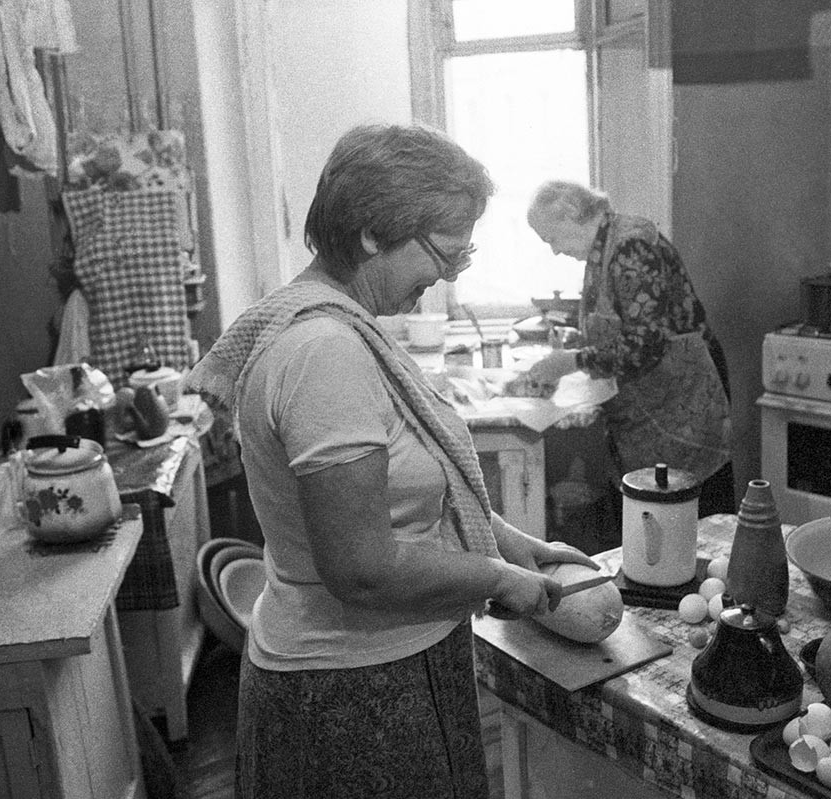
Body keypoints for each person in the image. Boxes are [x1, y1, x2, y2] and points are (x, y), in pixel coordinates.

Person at [185, 124, 598, 799]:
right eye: (444, 252)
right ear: (373, 232)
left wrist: (517, 544)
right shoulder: (325, 354)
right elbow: (363, 567)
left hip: (383, 668)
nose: (443, 279)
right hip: (350, 695)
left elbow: (414, 495)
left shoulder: (341, 329)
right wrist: (498, 578)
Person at [521, 180, 734, 520]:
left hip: (684, 395)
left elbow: (645, 342)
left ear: (573, 214)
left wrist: (568, 362)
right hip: (657, 399)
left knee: (694, 515)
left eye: (552, 237)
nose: (555, 250)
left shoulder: (630, 246)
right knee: (660, 515)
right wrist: (575, 346)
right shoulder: (602, 249)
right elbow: (619, 324)